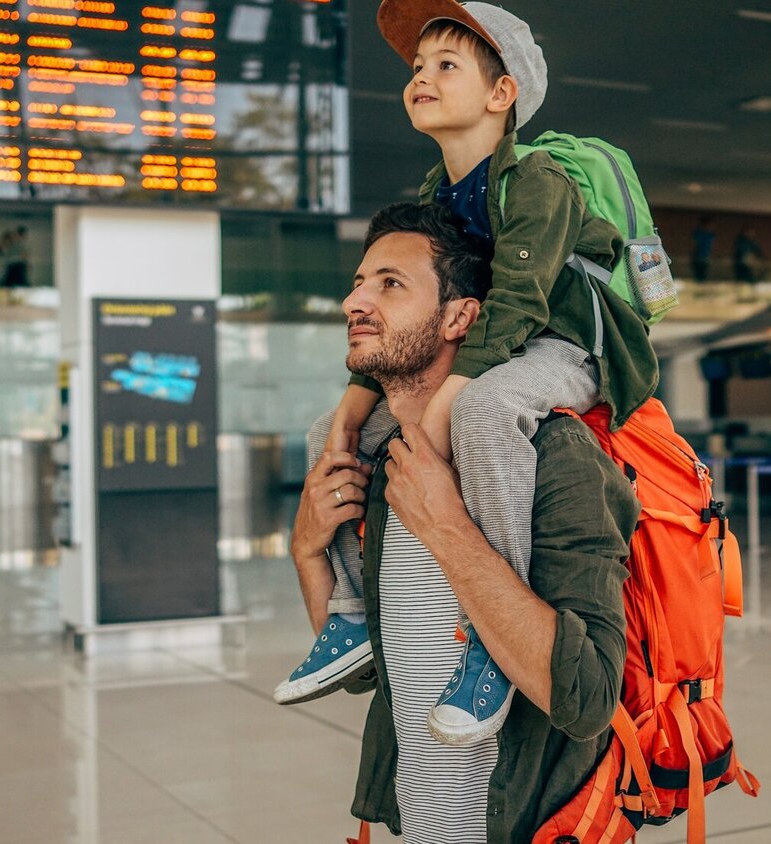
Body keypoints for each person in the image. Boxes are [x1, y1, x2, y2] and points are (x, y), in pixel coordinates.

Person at [275, 0, 657, 748]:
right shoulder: (433, 194)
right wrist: (352, 414)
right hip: (498, 353)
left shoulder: (539, 179)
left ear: (501, 92)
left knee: (482, 413)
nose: (421, 77)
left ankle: (490, 635)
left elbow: (515, 305)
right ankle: (349, 616)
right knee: (331, 429)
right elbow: (433, 311)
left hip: (572, 346)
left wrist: (444, 402)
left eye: (446, 65)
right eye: (417, 68)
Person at [289, 201, 637, 842]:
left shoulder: (552, 454)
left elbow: (586, 698)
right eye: (358, 283)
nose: (354, 303)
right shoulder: (383, 460)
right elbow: (374, 672)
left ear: (460, 316)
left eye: (390, 284)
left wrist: (447, 526)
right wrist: (310, 555)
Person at [690, 215, 715, 282]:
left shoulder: (710, 235)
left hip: (705, 257)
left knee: (703, 271)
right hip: (698, 257)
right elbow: (693, 244)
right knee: (699, 272)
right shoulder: (698, 233)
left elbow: (711, 246)